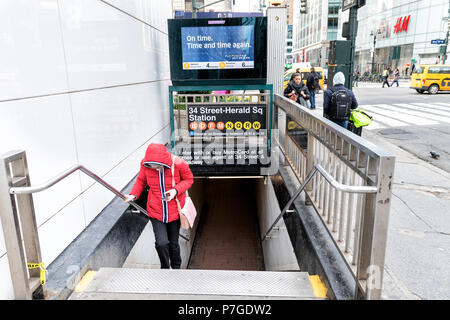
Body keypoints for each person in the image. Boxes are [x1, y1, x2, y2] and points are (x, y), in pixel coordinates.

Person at [123, 143, 194, 269]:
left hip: (175, 211)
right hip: (155, 211)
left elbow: (189, 180)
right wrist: (133, 195)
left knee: (173, 244)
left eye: (157, 165)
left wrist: (175, 191)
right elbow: (141, 180)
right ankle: (165, 268)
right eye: (151, 165)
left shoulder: (178, 163)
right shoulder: (146, 164)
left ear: (163, 161)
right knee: (161, 243)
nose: (154, 168)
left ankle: (176, 268)